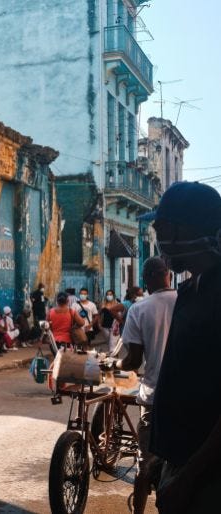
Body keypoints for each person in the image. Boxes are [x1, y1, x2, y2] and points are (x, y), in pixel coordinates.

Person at [147, 182, 221, 513]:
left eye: (161, 229)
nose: (159, 241)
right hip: (180, 467)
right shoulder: (190, 292)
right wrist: (158, 457)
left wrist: (188, 478)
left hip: (207, 481)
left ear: (181, 232)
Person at [108, 257, 176, 514]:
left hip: (153, 397)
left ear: (147, 279)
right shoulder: (187, 301)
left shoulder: (139, 309)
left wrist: (115, 365)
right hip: (186, 398)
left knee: (145, 463)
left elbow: (134, 361)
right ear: (168, 274)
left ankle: (138, 511)